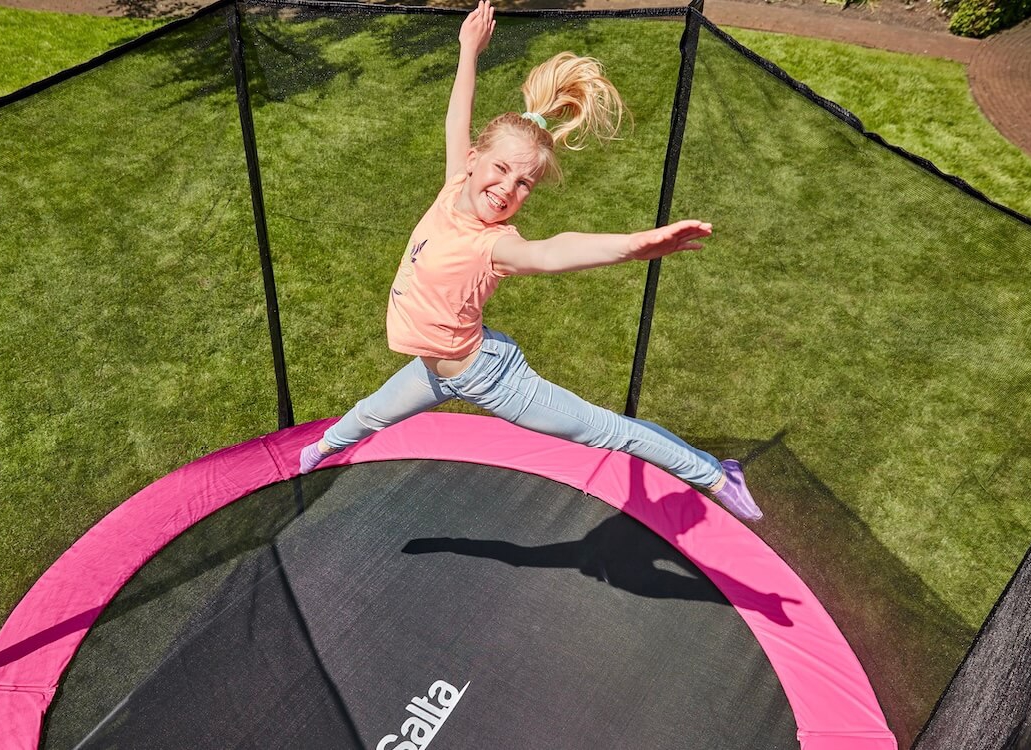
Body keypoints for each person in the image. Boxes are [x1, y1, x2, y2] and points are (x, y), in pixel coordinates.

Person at [299, 0, 761, 522]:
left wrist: (635, 245)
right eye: (500, 169)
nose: (507, 188)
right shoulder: (453, 188)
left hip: (486, 378)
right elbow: (458, 117)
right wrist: (468, 50)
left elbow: (554, 250)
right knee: (371, 414)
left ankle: (716, 473)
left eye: (524, 183)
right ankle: (318, 450)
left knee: (605, 430)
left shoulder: (493, 245)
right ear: (473, 160)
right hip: (435, 367)